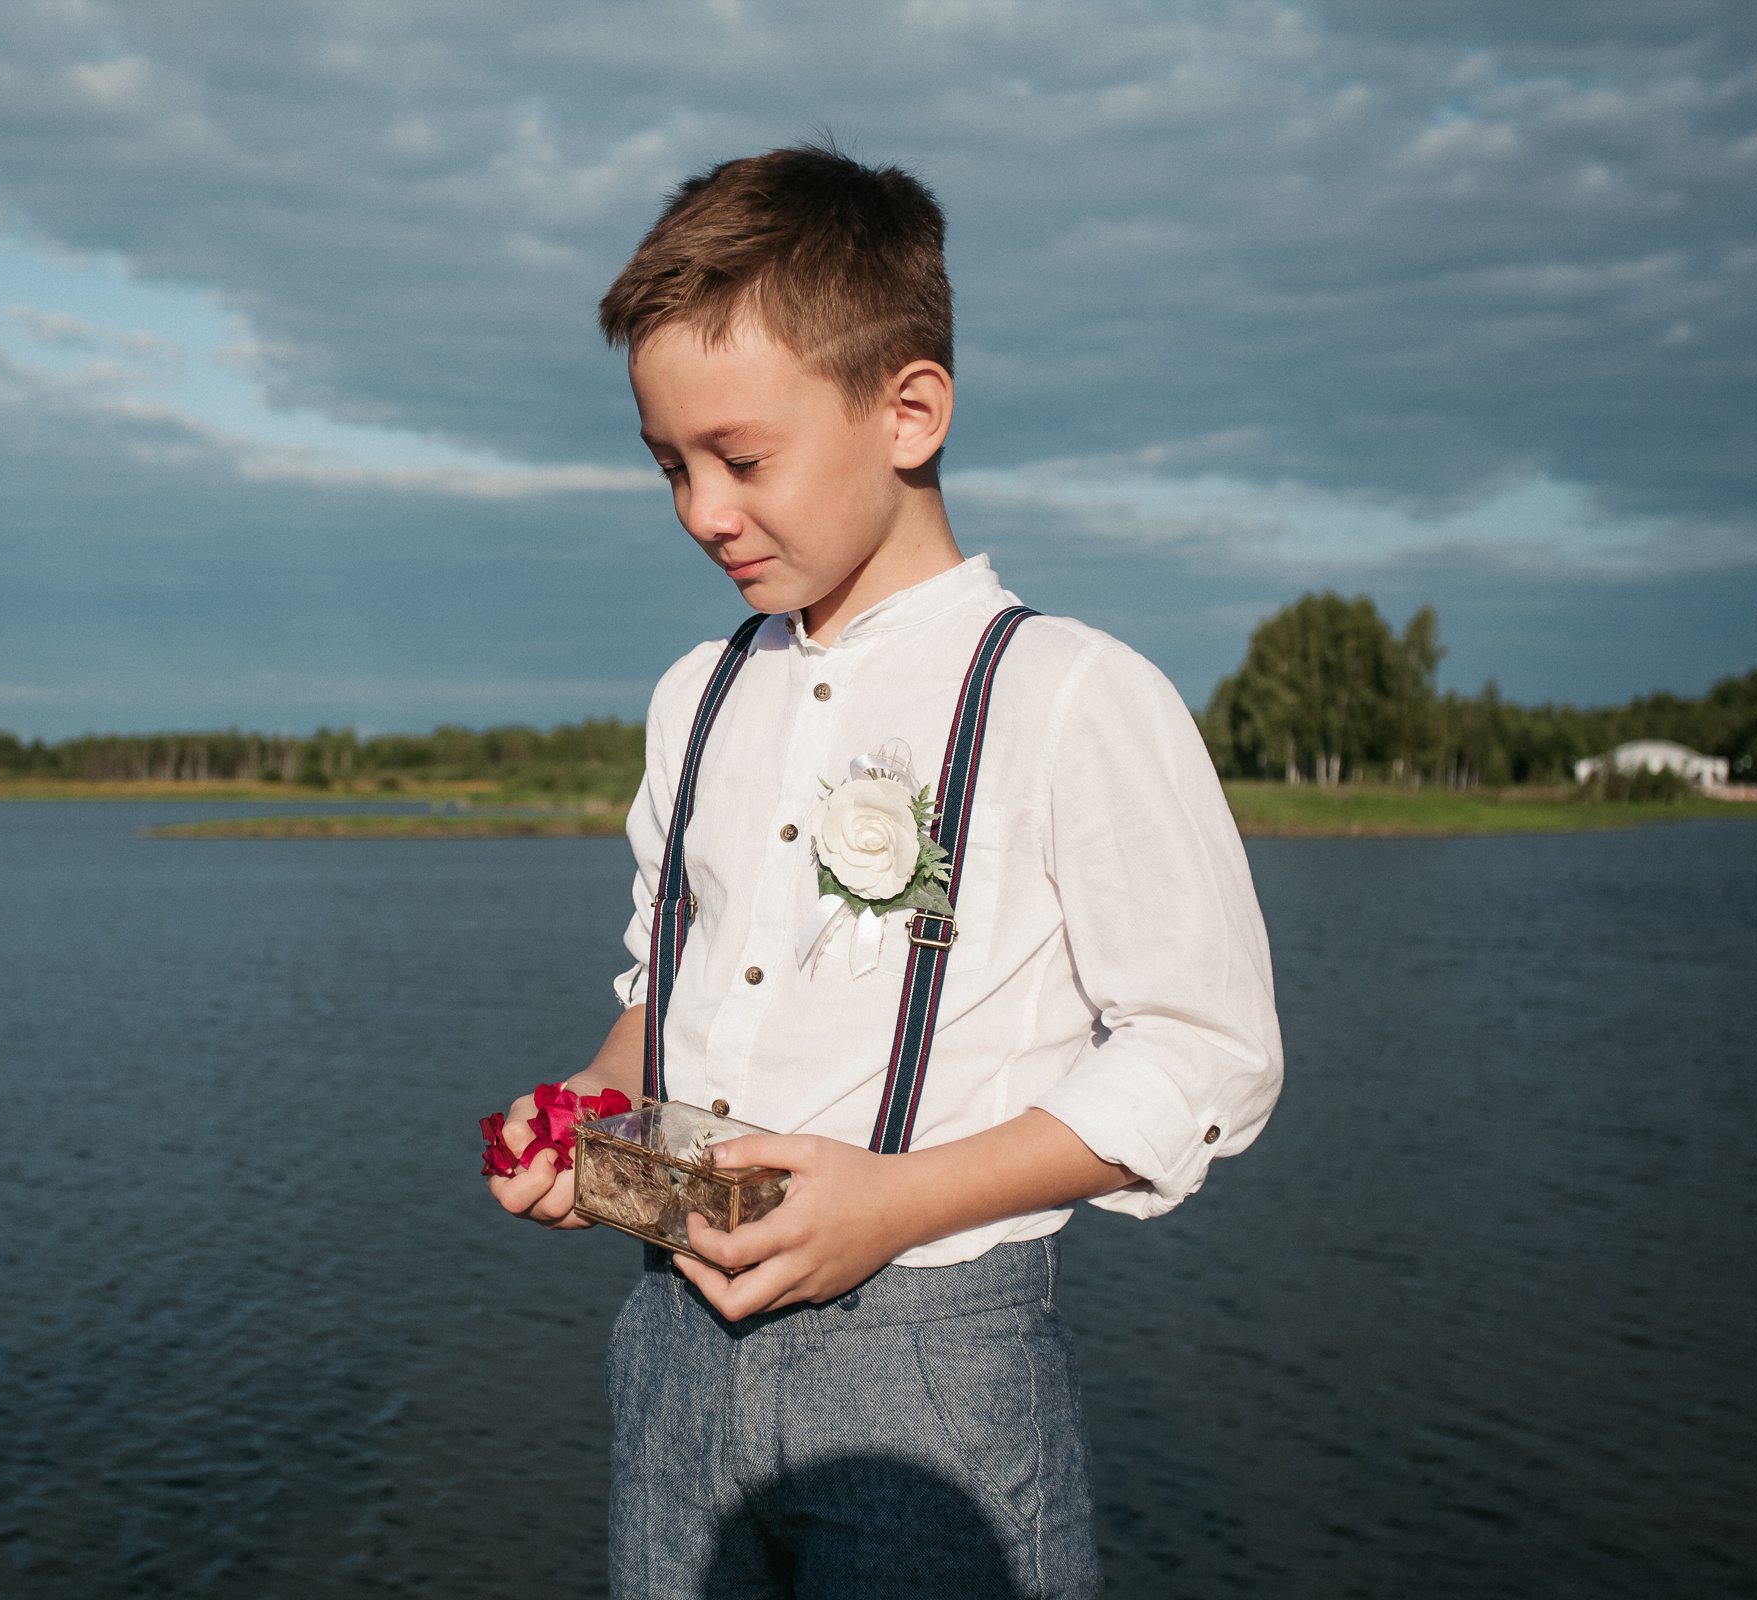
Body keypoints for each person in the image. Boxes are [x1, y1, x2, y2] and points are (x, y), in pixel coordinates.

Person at [485, 144, 1283, 1600]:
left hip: (934, 1370)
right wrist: (595, 1106)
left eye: (741, 460)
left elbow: (1207, 1053)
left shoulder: (1066, 691)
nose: (702, 511)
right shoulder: (695, 696)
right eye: (670, 467)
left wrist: (898, 1203)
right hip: (669, 1349)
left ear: (909, 412)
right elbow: (669, 990)